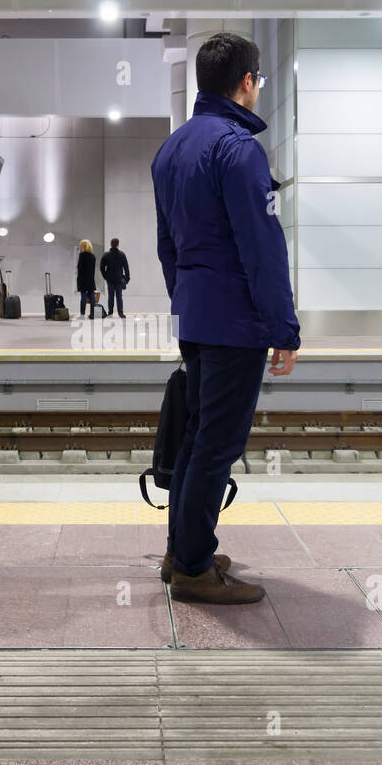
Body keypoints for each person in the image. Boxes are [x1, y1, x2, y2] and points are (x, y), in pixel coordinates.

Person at [151, 31, 300, 605]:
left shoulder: (172, 149)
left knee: (198, 435)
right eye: (258, 81)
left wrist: (185, 300)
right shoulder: (237, 149)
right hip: (235, 322)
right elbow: (262, 246)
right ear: (247, 82)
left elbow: (167, 247)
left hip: (195, 315)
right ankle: (192, 566)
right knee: (217, 443)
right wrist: (282, 327)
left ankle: (183, 549)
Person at [99, 237, 130, 317]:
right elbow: (126, 267)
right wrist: (127, 279)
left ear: (111, 244)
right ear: (118, 245)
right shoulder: (122, 254)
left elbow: (102, 267)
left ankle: (110, 312)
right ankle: (121, 313)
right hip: (119, 278)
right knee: (119, 297)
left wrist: (105, 276)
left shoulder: (106, 255)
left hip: (110, 278)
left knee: (111, 296)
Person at [75, 239, 97, 319]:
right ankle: (92, 314)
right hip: (91, 279)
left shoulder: (82, 255)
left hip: (83, 279)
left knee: (83, 296)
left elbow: (79, 268)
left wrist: (79, 278)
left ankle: (82, 314)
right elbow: (93, 269)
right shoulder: (93, 256)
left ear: (83, 246)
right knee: (92, 297)